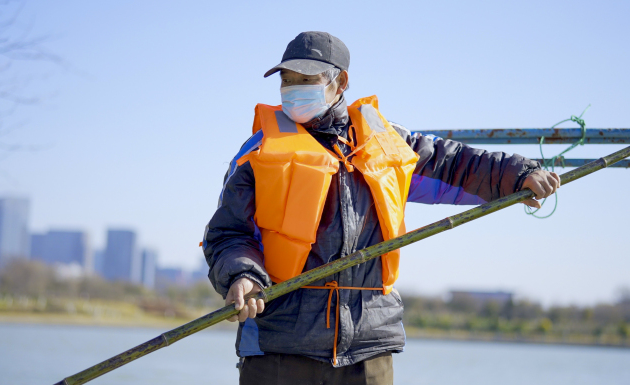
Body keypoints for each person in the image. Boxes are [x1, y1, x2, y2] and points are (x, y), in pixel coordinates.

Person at [203, 31, 560, 385]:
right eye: (287, 81)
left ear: (340, 82)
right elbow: (227, 232)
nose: (293, 89)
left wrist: (518, 174)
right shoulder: (257, 153)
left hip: (369, 348)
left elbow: (455, 164)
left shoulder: (387, 139)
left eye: (306, 80)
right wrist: (242, 275)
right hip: (277, 346)